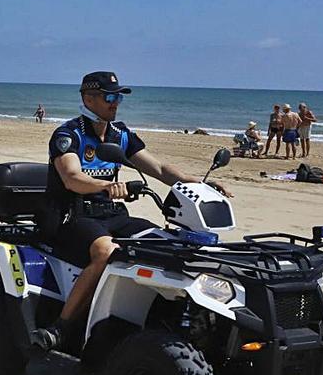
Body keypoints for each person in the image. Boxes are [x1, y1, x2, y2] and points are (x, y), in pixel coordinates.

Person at [31, 72, 233, 351]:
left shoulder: (120, 134)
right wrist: (108, 185)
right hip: (72, 215)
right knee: (105, 251)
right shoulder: (69, 134)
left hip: (111, 214)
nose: (116, 103)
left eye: (119, 97)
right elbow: (71, 178)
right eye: (109, 96)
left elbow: (159, 169)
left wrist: (197, 181)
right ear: (87, 98)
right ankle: (61, 327)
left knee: (166, 242)